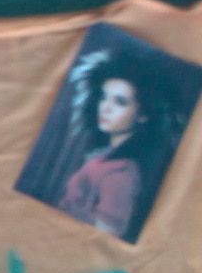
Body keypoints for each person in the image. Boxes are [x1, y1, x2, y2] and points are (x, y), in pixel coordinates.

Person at [57, 51, 172, 242]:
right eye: (104, 97)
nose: (105, 108)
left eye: (120, 102)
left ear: (142, 115)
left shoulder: (121, 173)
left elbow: (105, 238)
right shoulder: (104, 158)